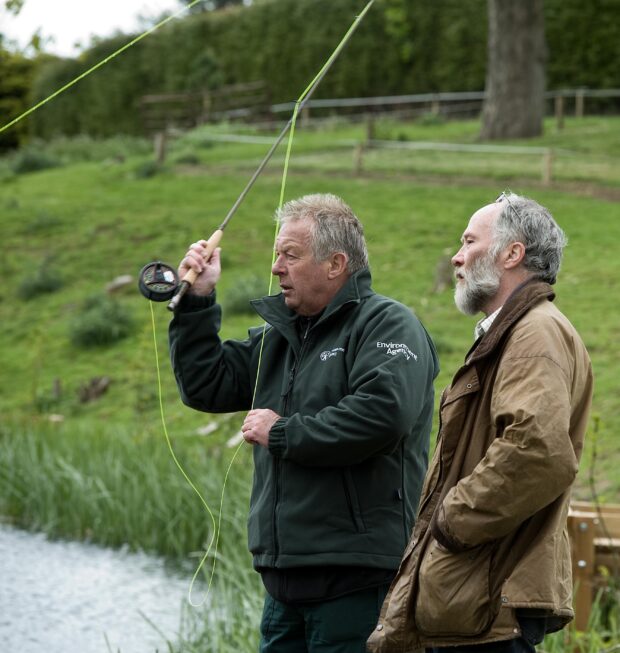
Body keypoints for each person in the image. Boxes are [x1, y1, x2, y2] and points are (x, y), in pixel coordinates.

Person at [169, 193, 439, 653]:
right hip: (284, 585)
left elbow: (382, 414)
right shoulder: (281, 336)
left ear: (335, 263)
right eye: (278, 254)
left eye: (290, 255)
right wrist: (197, 300)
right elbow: (206, 384)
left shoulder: (388, 324)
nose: (276, 267)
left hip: (357, 581)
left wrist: (282, 432)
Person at [368, 192, 593, 653]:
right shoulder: (514, 331)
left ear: (512, 254)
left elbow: (538, 452)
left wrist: (450, 521)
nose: (457, 256)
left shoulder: (534, 332)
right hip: (475, 599)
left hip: (489, 602)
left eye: (469, 241)